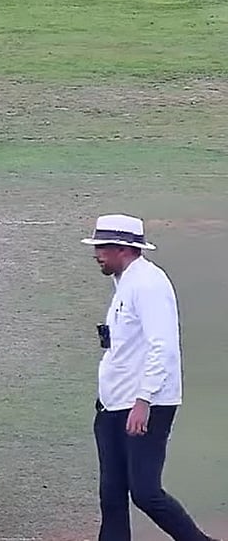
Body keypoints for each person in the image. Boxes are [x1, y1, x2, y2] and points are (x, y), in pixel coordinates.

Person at [81, 214, 218, 541]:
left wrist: (143, 401)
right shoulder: (126, 282)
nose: (97, 254)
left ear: (124, 249)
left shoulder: (149, 284)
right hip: (114, 404)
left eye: (103, 247)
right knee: (112, 493)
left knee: (145, 491)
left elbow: (164, 347)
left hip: (144, 405)